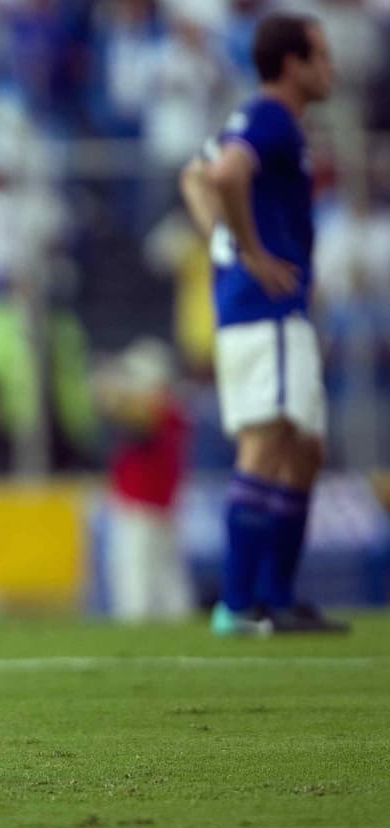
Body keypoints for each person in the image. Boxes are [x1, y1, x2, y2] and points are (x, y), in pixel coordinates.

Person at [179, 13, 345, 635]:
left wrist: (219, 237)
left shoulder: (264, 122)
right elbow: (221, 174)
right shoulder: (270, 116)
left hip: (270, 309)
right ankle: (240, 603)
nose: (332, 68)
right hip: (264, 307)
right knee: (267, 444)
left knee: (303, 449)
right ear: (293, 64)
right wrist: (246, 249)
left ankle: (275, 597)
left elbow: (196, 172)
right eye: (322, 56)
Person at [95, 338, 192, 622]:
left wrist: (109, 387)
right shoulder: (172, 408)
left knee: (136, 578)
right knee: (166, 576)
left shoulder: (159, 409)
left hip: (141, 506)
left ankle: (140, 627)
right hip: (156, 506)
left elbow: (129, 416)